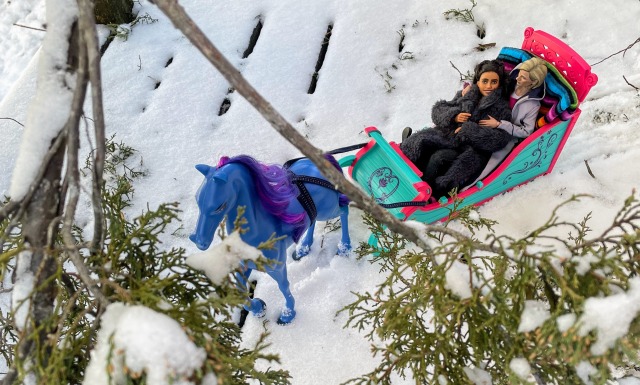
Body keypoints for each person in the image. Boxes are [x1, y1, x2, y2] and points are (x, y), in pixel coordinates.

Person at [400, 59, 513, 197]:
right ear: (477, 81)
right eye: (485, 81)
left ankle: (426, 191)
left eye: (493, 82)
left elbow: (500, 139)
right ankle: (406, 171)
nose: (488, 86)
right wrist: (454, 116)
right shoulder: (467, 95)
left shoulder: (501, 108)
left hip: (471, 149)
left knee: (438, 158)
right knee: (422, 142)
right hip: (449, 137)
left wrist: (469, 130)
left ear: (499, 83)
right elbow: (439, 110)